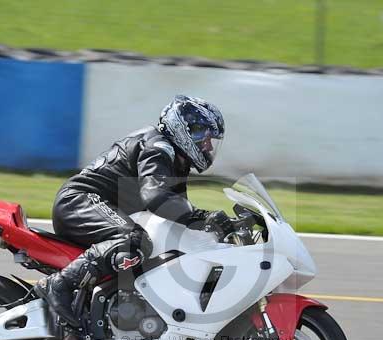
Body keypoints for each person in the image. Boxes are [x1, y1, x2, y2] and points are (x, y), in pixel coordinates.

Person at [34, 95, 234, 326]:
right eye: (204, 136)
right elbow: (155, 195)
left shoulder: (177, 160)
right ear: (183, 128)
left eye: (211, 140)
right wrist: (202, 216)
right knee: (134, 240)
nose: (208, 145)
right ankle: (59, 284)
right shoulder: (158, 147)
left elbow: (177, 215)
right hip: (79, 202)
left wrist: (221, 227)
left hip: (93, 205)